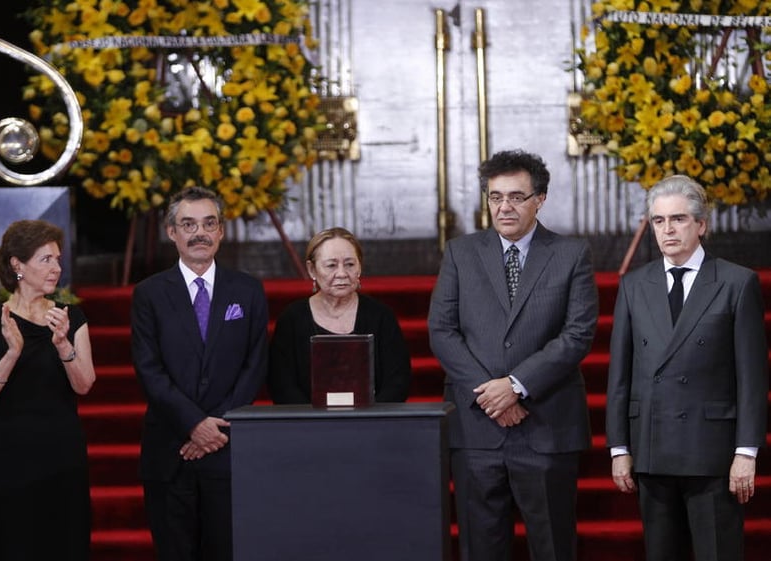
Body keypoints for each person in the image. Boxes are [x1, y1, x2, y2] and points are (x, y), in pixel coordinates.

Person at [428, 149, 598, 561]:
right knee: (480, 548)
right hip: (477, 429)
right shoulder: (460, 253)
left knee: (553, 547)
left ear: (540, 199)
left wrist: (517, 387)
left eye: (517, 197)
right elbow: (442, 330)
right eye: (495, 196)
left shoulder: (571, 255)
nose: (504, 206)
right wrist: (492, 395)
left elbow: (576, 335)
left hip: (546, 425)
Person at [606, 175, 768, 561]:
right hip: (652, 448)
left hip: (711, 452)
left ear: (701, 225)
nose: (668, 230)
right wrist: (618, 448)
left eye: (678, 219)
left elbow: (751, 378)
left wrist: (746, 452)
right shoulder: (634, 285)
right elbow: (619, 376)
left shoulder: (736, 283)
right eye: (659, 221)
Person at [131, 186, 269, 561]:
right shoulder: (148, 294)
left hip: (229, 450)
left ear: (222, 231)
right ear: (171, 232)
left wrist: (215, 427)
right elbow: (149, 370)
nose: (200, 233)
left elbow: (255, 366)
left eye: (209, 223)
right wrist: (194, 424)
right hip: (170, 450)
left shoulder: (249, 291)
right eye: (188, 224)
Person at [0, 219, 96, 561]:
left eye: (57, 259)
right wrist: (12, 353)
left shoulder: (71, 318)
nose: (57, 268)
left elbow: (84, 385)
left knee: (64, 544)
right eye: (46, 259)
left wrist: (64, 345)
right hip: (8, 457)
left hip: (61, 453)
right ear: (17, 265)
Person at [268, 227, 412, 404]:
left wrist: (371, 418)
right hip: (307, 426)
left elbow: (398, 381)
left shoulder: (381, 316)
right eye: (331, 265)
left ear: (360, 267)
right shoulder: (292, 320)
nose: (342, 273)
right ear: (312, 270)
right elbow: (282, 385)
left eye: (350, 264)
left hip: (372, 424)